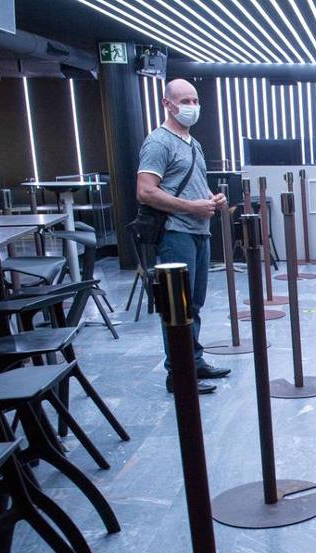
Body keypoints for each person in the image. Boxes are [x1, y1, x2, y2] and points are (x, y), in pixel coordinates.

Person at [136, 78, 231, 394]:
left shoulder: (193, 143)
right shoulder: (158, 142)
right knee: (178, 306)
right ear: (167, 104)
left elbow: (193, 184)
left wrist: (212, 199)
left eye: (195, 100)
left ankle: (194, 361)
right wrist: (191, 207)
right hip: (175, 232)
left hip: (199, 231)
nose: (192, 106)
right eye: (184, 101)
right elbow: (146, 191)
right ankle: (178, 373)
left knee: (194, 303)